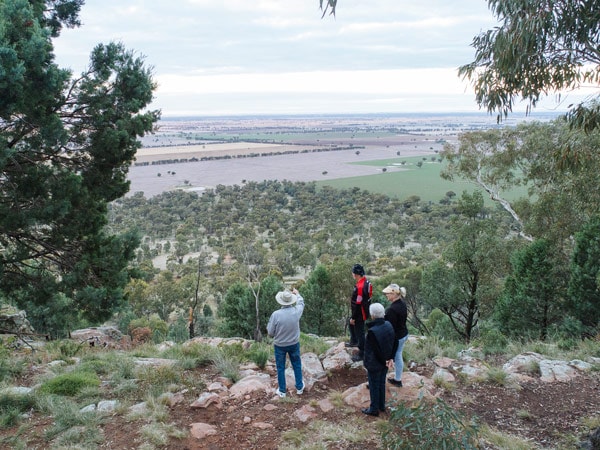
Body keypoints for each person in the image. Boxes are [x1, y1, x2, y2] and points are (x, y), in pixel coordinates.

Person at [267, 288, 305, 398]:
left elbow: (270, 332)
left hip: (280, 345)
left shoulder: (276, 315)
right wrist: (298, 294)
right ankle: (299, 388)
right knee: (296, 365)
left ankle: (282, 391)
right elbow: (301, 303)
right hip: (294, 344)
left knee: (280, 367)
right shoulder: (296, 311)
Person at [362, 302, 395, 417]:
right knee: (381, 383)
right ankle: (381, 405)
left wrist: (384, 360)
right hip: (385, 362)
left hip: (375, 363)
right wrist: (390, 358)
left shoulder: (372, 331)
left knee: (374, 385)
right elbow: (393, 342)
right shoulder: (389, 325)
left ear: (373, 315)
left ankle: (374, 409)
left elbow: (375, 350)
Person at [383, 284, 409, 387]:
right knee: (398, 355)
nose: (386, 295)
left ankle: (380, 381)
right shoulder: (402, 304)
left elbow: (390, 328)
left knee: (390, 357)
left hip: (397, 337)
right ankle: (397, 379)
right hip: (403, 334)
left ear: (394, 293)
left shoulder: (392, 309)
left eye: (388, 293)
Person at [348, 263, 372, 362]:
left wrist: (354, 317)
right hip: (363, 310)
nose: (352, 274)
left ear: (356, 274)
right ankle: (353, 341)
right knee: (350, 324)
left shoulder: (361, 286)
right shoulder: (365, 282)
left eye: (353, 273)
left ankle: (362, 354)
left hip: (360, 312)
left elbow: (358, 304)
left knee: (360, 333)